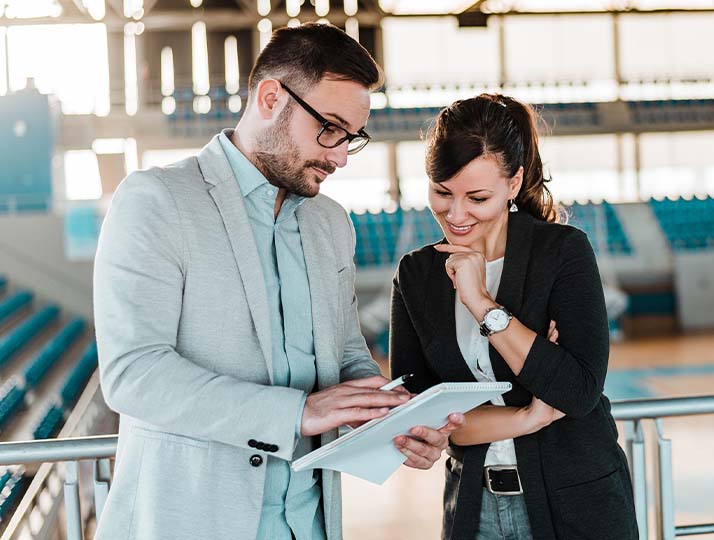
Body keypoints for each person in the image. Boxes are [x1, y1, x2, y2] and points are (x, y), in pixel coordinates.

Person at [93, 23, 460, 540]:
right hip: (194, 519)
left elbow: (346, 354)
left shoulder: (331, 222)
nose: (337, 156)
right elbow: (134, 374)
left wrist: (384, 414)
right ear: (270, 98)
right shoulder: (157, 201)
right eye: (329, 128)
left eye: (350, 138)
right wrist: (297, 413)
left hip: (307, 523)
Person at [389, 94, 639, 540]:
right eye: (442, 192)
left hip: (577, 503)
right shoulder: (416, 274)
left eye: (477, 197)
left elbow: (578, 391)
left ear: (514, 183)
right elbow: (423, 412)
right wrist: (529, 416)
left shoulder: (562, 252)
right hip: (473, 506)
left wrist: (482, 303)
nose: (456, 214)